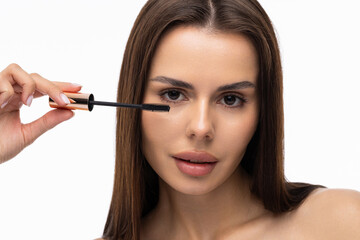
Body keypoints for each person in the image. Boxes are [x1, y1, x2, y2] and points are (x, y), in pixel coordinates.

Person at [1, 0, 359, 239]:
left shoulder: (340, 223)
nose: (201, 128)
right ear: (133, 97)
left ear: (263, 112)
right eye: (173, 95)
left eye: (231, 99)